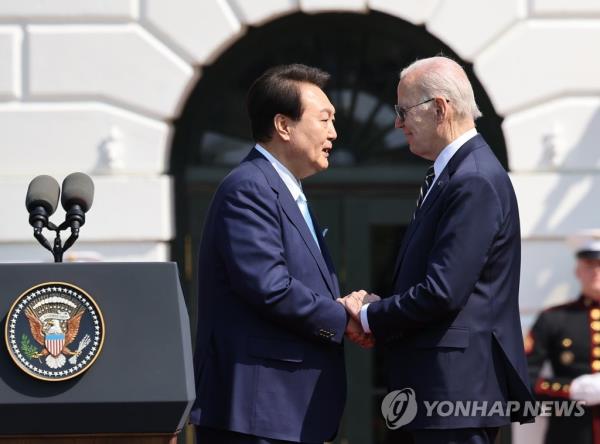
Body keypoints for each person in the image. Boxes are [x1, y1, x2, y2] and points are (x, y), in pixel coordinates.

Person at [338, 56, 534, 443]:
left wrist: (371, 314)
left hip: (453, 393)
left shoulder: (472, 178)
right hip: (443, 391)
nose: (397, 123)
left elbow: (443, 290)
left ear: (441, 108)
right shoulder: (459, 173)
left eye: (403, 110)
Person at [189, 63, 371, 444]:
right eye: (324, 120)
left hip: (284, 413)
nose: (334, 133)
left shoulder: (285, 190)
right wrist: (345, 317)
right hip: (258, 415)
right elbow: (269, 286)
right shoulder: (249, 188)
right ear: (284, 126)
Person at [527, 230, 600, 444]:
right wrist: (571, 390)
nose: (596, 271)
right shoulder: (554, 318)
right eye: (589, 265)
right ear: (577, 271)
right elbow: (522, 378)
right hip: (570, 434)